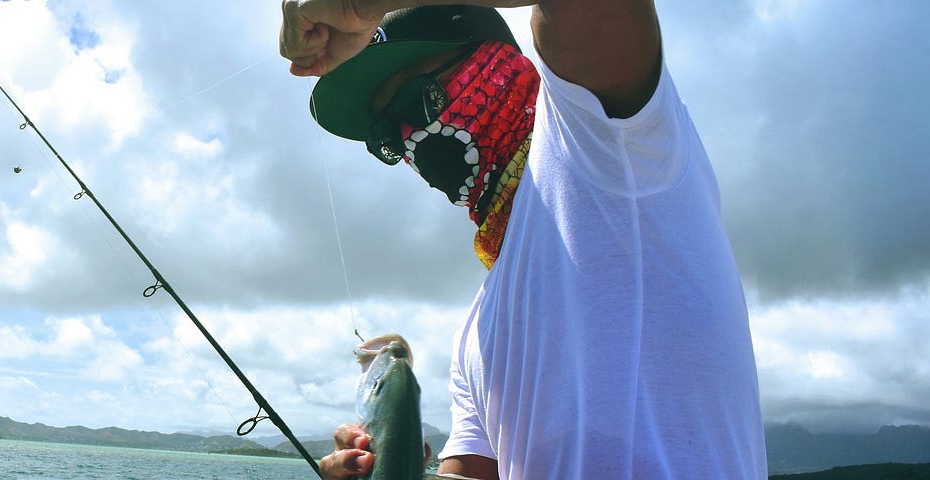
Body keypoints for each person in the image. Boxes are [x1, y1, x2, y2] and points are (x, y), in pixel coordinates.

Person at [278, 1, 767, 479]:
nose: (410, 138)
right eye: (387, 134)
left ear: (500, 65)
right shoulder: (475, 332)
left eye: (417, 102)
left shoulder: (605, 145)